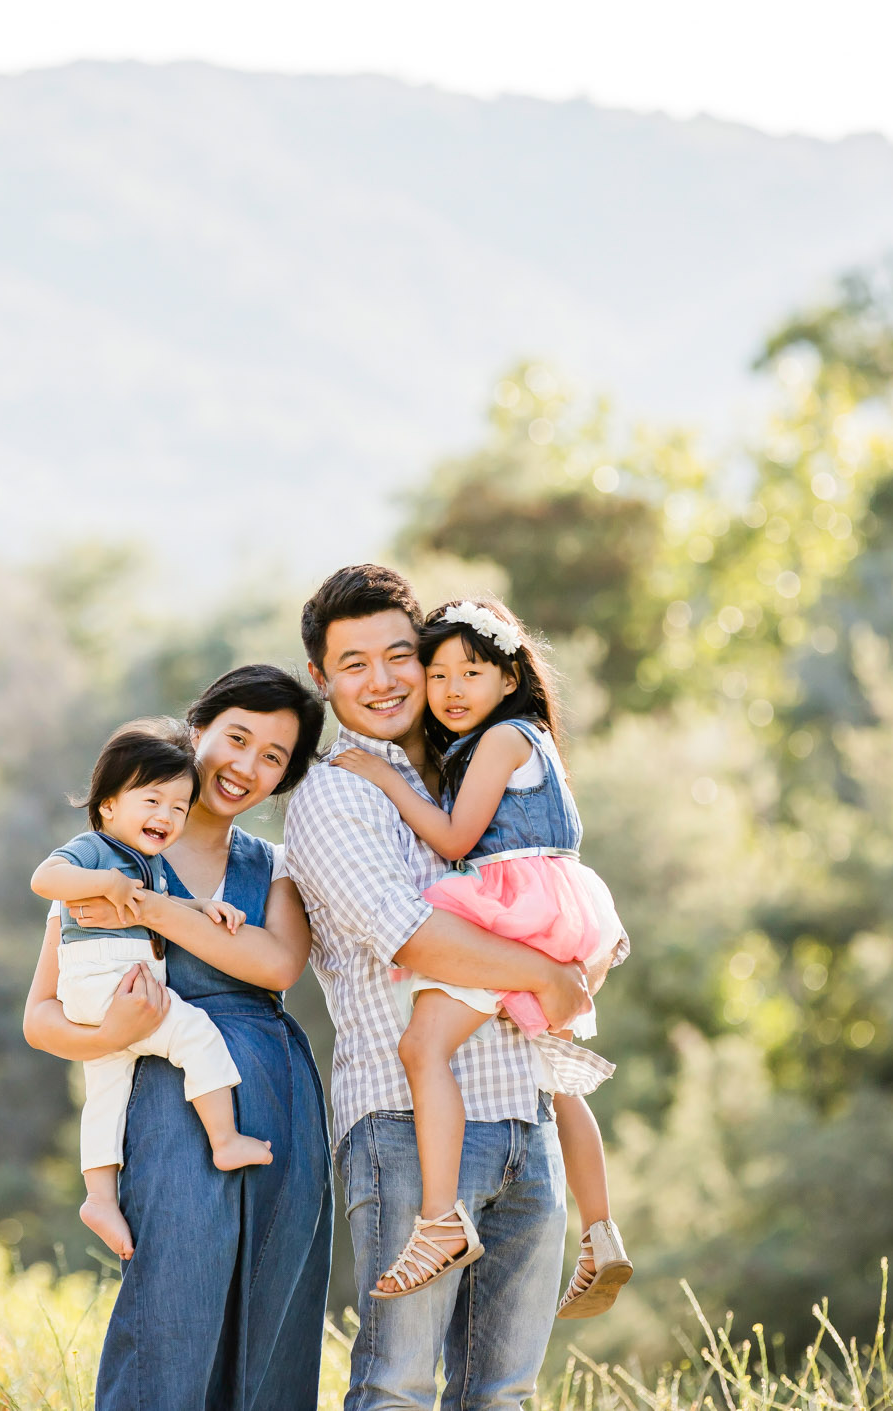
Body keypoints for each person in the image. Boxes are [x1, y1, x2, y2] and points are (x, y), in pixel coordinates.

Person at [285, 564, 615, 1411]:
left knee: (502, 1394)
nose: (386, 678)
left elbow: (555, 894)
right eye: (354, 663)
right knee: (398, 1389)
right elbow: (414, 936)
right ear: (322, 680)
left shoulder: (471, 774)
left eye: (402, 655)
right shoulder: (338, 795)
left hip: (523, 1117)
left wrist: (578, 961)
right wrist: (548, 973)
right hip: (406, 1126)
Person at [23, 665, 332, 1411]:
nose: (247, 766)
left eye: (274, 756)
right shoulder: (102, 857)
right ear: (197, 730)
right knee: (172, 1307)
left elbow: (277, 961)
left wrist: (152, 910)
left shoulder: (275, 867)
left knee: (274, 1318)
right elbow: (39, 1015)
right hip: (164, 1097)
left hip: (275, 1101)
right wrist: (107, 1033)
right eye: (237, 737)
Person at [30, 717, 274, 1260]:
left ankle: (98, 1197)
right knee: (196, 1035)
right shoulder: (94, 849)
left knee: (106, 1095)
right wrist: (102, 882)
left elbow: (159, 905)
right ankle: (225, 1139)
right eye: (151, 800)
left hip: (114, 990)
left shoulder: (152, 865)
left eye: (179, 807)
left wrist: (200, 907)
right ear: (109, 805)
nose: (166, 816)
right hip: (105, 983)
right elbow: (44, 879)